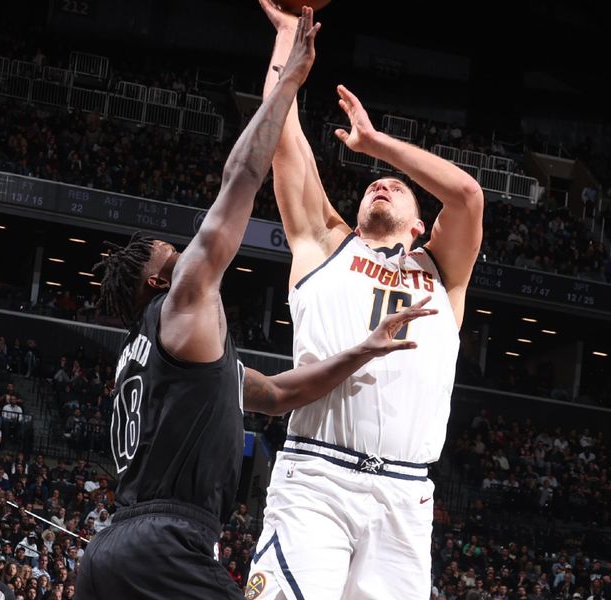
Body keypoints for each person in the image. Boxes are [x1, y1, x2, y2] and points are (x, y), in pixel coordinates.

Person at [74, 10, 437, 600]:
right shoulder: (187, 298)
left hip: (113, 548)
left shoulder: (159, 356)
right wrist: (290, 77)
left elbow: (274, 395)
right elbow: (242, 173)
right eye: (173, 253)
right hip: (166, 543)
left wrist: (360, 351)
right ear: (165, 280)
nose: (186, 249)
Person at [248, 2, 485, 599]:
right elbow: (283, 138)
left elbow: (467, 195)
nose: (381, 183)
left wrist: (377, 146)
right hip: (317, 477)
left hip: (405, 498)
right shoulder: (323, 241)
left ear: (418, 224)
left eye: (397, 187)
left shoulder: (443, 270)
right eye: (374, 183)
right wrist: (286, 39)